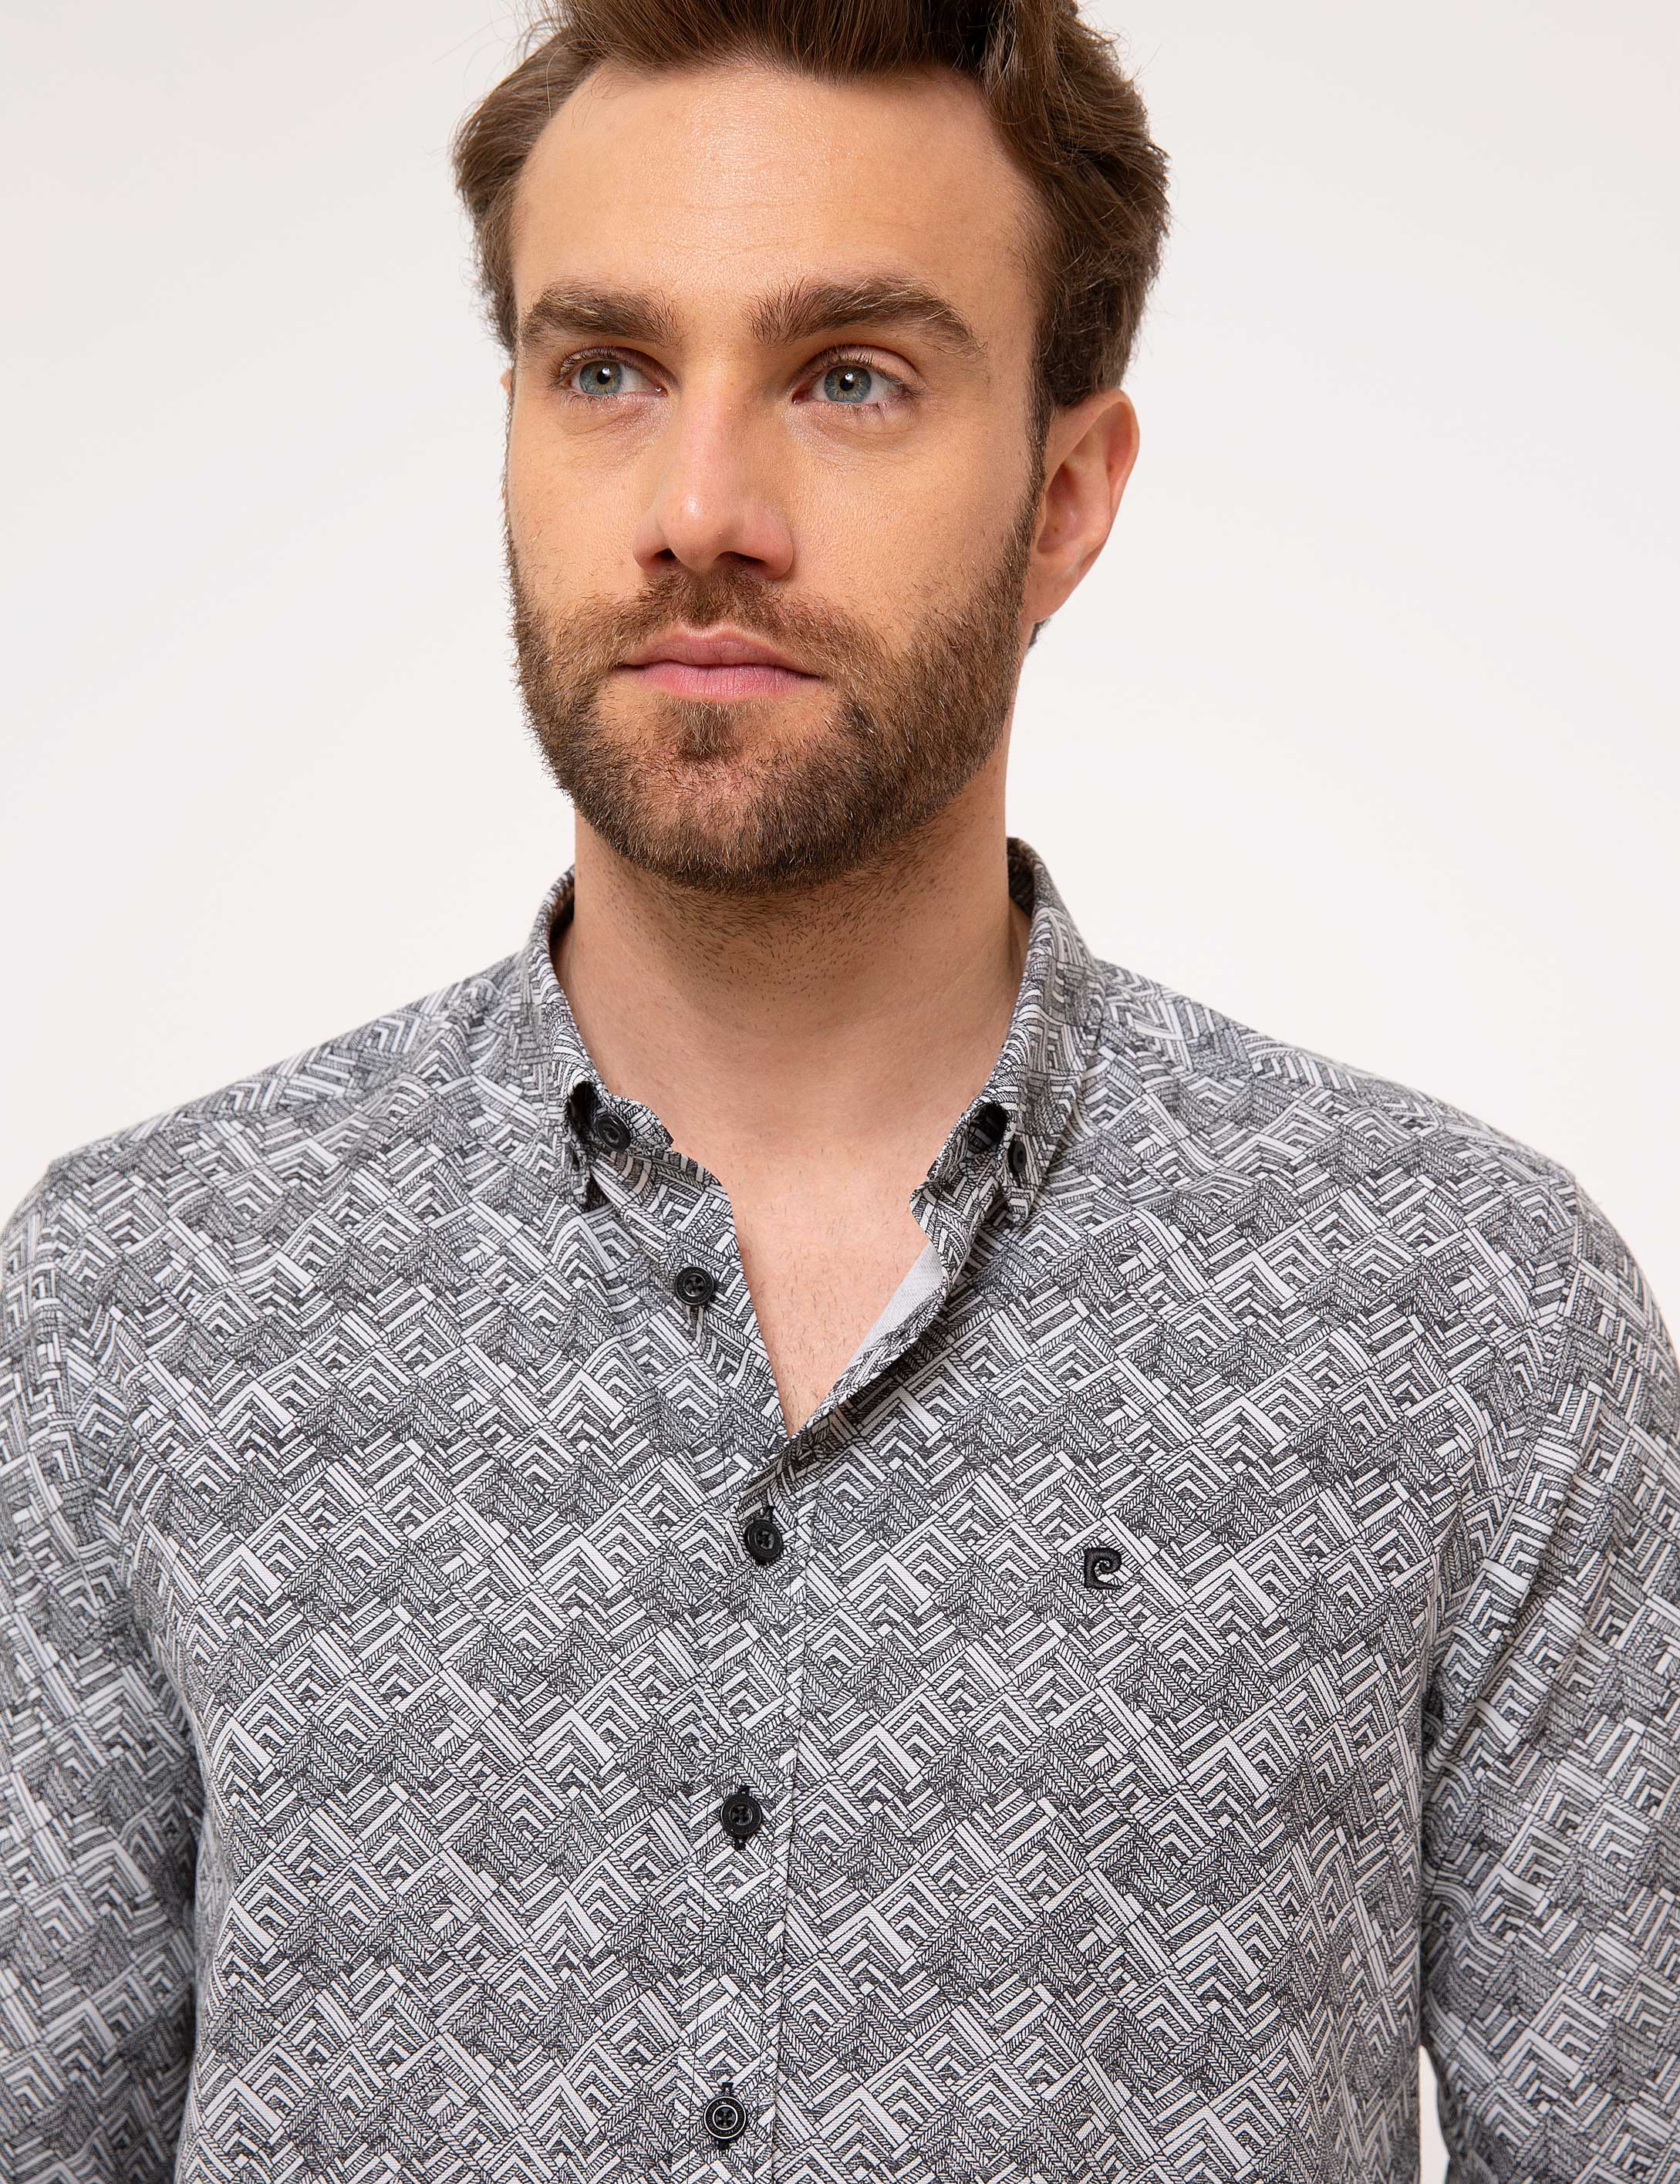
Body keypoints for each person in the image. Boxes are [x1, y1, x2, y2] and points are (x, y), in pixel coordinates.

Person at [3, 2, 1676, 2177]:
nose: (701, 511)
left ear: (1065, 496)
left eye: (850, 377)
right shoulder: (146, 1306)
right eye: (607, 370)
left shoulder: (1460, 1321)